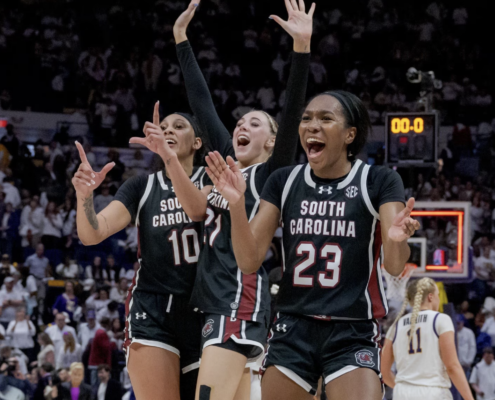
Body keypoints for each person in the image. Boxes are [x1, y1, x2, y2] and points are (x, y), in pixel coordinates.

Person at [204, 89, 420, 400]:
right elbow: (249, 261)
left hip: (352, 329)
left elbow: (395, 265)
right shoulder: (284, 181)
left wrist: (397, 241)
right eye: (306, 118)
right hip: (293, 325)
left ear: (350, 134)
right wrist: (237, 205)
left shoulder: (379, 181)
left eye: (325, 119)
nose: (311, 125)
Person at [71, 18, 234, 400]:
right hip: (153, 306)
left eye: (179, 127)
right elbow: (92, 233)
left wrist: (167, 158)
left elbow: (197, 211)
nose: (170, 131)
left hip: (205, 307)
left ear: (196, 142)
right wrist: (84, 196)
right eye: (166, 127)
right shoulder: (141, 187)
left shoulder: (214, 180)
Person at [165, 2, 313, 399]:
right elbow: (202, 104)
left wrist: (301, 48)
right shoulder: (226, 169)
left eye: (255, 122)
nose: (242, 124)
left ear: (270, 140)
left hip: (238, 295)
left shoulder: (270, 175)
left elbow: (293, 108)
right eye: (241, 121)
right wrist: (181, 40)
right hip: (217, 299)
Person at [381, 278, 474, 400]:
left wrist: (402, 388)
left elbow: (384, 371)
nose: (439, 299)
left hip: (402, 393)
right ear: (430, 297)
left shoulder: (396, 326)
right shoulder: (441, 319)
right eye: (438, 295)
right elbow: (452, 366)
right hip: (433, 392)